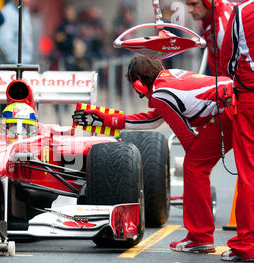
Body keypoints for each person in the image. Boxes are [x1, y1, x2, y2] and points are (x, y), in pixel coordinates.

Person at [73, 55, 234, 253]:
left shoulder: (161, 94)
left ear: (139, 84)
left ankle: (200, 237)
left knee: (194, 167)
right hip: (234, 100)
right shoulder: (169, 77)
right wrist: (107, 119)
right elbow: (153, 120)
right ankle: (201, 235)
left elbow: (187, 139)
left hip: (229, 110)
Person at [219, 0, 254, 262]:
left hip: (250, 100)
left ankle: (248, 244)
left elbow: (229, 64)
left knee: (248, 173)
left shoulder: (242, 12)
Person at [184, 0, 235, 75]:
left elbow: (233, 66)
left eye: (194, 4)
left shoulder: (222, 27)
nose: (189, 10)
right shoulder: (214, 13)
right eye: (188, 5)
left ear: (208, 3)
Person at [0, 0, 33, 64]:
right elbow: (4, 42)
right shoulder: (8, 13)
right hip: (13, 66)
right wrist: (17, 62)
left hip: (24, 62)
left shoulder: (25, 10)